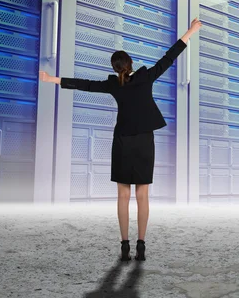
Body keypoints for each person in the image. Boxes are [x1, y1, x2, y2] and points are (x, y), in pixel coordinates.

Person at [39, 18, 202, 261]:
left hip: (123, 141)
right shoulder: (145, 77)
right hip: (144, 140)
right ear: (131, 63)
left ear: (115, 68)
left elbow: (87, 85)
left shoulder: (114, 84)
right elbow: (169, 57)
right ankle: (141, 244)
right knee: (142, 195)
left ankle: (124, 245)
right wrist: (191, 31)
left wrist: (53, 79)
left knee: (123, 195)